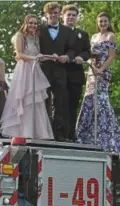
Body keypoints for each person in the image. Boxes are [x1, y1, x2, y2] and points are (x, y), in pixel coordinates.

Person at [76, 12, 120, 152]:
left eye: (105, 21)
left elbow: (111, 57)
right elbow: (91, 55)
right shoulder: (94, 37)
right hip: (92, 71)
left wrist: (101, 70)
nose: (103, 24)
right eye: (100, 21)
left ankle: (106, 137)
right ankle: (86, 136)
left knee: (101, 100)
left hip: (102, 72)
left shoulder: (111, 36)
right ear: (97, 23)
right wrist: (92, 67)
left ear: (109, 22)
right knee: (89, 100)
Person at [0, 14, 54, 139]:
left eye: (35, 23)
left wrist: (52, 57)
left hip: (35, 70)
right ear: (25, 23)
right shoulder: (20, 36)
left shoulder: (35, 37)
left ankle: (35, 132)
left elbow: (38, 56)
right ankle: (22, 132)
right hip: (24, 70)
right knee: (24, 99)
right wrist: (34, 58)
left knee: (36, 100)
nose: (33, 25)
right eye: (31, 23)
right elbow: (19, 54)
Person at [39, 2, 75, 141]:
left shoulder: (67, 31)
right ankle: (43, 132)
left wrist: (67, 56)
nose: (54, 15)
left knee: (61, 102)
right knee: (43, 101)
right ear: (46, 14)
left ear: (60, 14)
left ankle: (59, 134)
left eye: (56, 12)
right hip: (43, 70)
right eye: (51, 13)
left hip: (60, 71)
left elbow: (72, 49)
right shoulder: (39, 30)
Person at [62, 4, 91, 142]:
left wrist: (82, 57)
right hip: (59, 73)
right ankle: (58, 134)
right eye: (69, 15)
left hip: (75, 75)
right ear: (63, 16)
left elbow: (87, 51)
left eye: (74, 15)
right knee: (59, 105)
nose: (71, 17)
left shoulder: (83, 34)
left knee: (73, 106)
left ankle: (70, 134)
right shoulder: (57, 32)